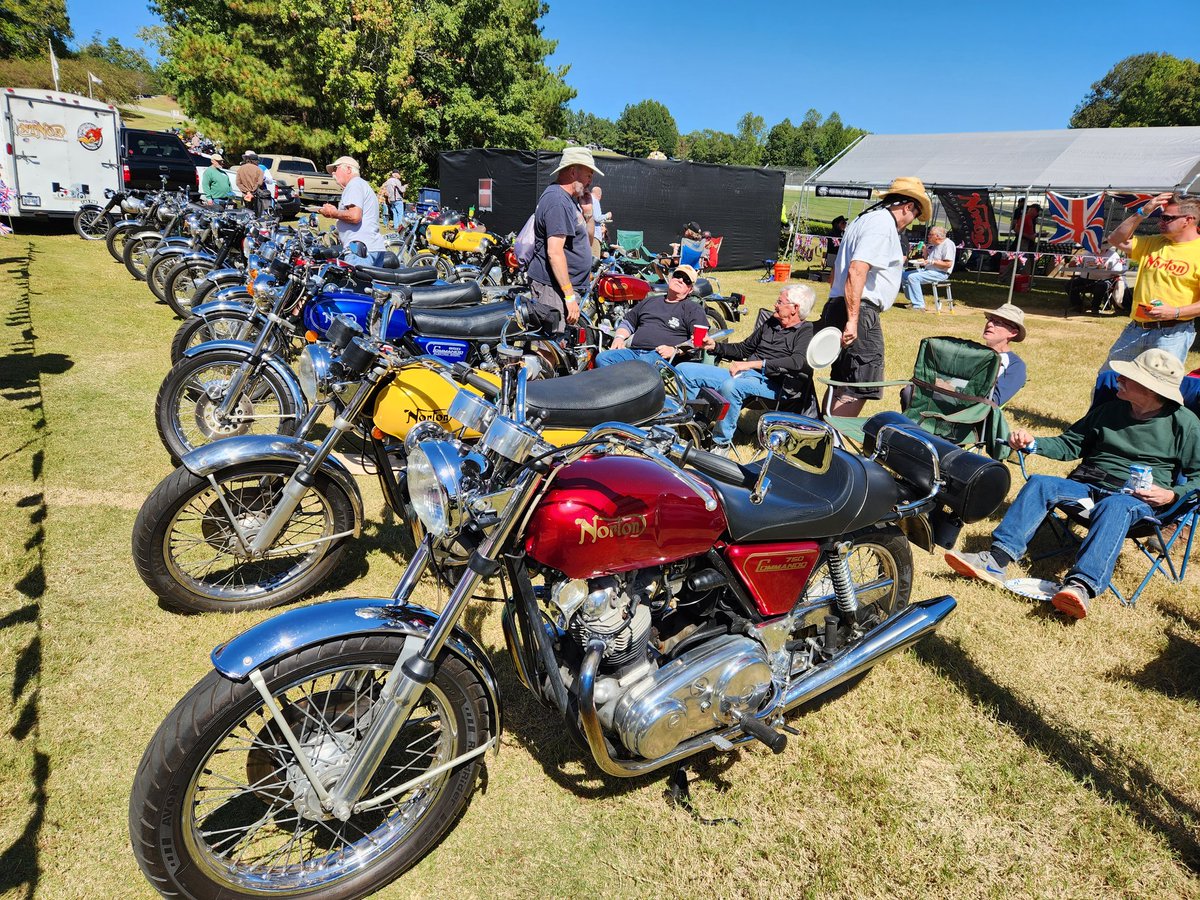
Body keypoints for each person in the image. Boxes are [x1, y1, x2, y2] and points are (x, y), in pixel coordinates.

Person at [944, 348, 1200, 620]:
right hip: (1089, 486)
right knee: (1042, 483)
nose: (1118, 379)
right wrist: (1033, 443)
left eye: (1128, 377)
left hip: (1137, 503)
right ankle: (997, 559)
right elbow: (1070, 443)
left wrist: (1171, 495)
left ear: (1150, 389)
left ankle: (1080, 586)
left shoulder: (1184, 424)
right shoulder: (1110, 410)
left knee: (1116, 505)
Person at [818, 176, 931, 417]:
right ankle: (831, 439)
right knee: (860, 382)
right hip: (859, 308)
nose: (911, 222)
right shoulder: (882, 224)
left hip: (842, 303)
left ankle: (820, 435)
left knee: (842, 378)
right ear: (908, 206)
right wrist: (852, 319)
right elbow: (856, 269)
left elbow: (837, 270)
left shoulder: (864, 219)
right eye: (915, 214)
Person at [676, 284, 816, 452]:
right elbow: (744, 349)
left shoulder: (805, 330)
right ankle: (691, 428)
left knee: (731, 387)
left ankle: (721, 443)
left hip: (774, 385)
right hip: (745, 374)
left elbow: (797, 361)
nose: (775, 305)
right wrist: (715, 346)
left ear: (795, 308)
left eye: (780, 302)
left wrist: (754, 364)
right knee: (685, 371)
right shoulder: (771, 322)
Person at [1100, 193, 1200, 369]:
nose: (1160, 222)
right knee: (1109, 380)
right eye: (1160, 216)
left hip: (1173, 333)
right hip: (1136, 328)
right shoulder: (1153, 242)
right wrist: (1143, 211)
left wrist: (1175, 312)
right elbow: (1115, 239)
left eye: (1167, 218)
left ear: (1188, 220)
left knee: (1155, 391)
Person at [526, 146, 601, 332]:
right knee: (548, 347)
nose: (591, 180)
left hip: (561, 288)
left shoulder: (570, 200)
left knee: (557, 345)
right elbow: (554, 252)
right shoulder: (558, 201)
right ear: (573, 171)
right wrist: (569, 296)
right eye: (588, 174)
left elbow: (588, 240)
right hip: (552, 289)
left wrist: (588, 213)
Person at [595, 265, 707, 368]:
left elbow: (699, 339)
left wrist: (675, 350)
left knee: (640, 367)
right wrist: (619, 338)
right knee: (603, 358)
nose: (680, 280)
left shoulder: (693, 308)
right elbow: (628, 322)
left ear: (690, 289)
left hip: (660, 356)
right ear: (671, 278)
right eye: (678, 275)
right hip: (633, 351)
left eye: (686, 280)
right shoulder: (650, 301)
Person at [320, 155, 388, 266]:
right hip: (370, 247)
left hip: (359, 249)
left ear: (348, 169)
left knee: (354, 283)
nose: (333, 174)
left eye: (336, 169)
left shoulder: (354, 184)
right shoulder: (361, 184)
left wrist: (332, 213)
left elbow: (355, 216)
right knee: (368, 283)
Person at [901, 226, 956, 311]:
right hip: (929, 270)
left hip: (941, 273)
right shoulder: (935, 245)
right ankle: (913, 300)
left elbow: (948, 264)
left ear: (937, 236)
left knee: (913, 277)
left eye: (930, 235)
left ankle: (919, 305)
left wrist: (931, 262)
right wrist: (925, 251)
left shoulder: (947, 245)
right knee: (904, 275)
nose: (928, 236)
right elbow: (928, 260)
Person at [982, 303, 1027, 406]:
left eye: (998, 322)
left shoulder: (1015, 366)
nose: (989, 324)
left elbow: (992, 402)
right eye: (990, 319)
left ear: (1013, 333)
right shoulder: (973, 351)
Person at [1068, 245, 1128, 313]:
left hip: (1104, 279)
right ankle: (1078, 304)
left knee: (1101, 286)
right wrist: (1074, 263)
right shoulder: (1088, 253)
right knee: (1069, 284)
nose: (1098, 250)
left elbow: (1118, 270)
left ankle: (1095, 307)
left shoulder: (1113, 255)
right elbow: (1080, 264)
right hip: (1085, 279)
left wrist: (1107, 267)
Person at [235, 150, 268, 216]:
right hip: (256, 195)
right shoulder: (259, 170)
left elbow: (238, 183)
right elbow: (259, 183)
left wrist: (247, 192)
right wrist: (252, 191)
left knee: (247, 212)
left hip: (245, 195)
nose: (258, 162)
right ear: (254, 161)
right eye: (257, 161)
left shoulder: (240, 169)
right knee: (257, 213)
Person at [590, 185, 612, 255]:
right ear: (599, 195)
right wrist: (607, 215)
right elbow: (597, 218)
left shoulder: (585, 200)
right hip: (594, 235)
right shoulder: (595, 201)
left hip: (585, 234)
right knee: (595, 259)